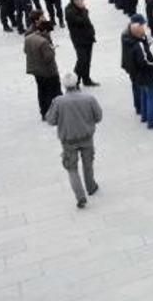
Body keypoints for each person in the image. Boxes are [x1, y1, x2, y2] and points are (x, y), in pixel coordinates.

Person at [44, 73, 103, 209]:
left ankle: (80, 196)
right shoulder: (89, 99)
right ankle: (91, 186)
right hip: (87, 138)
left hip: (68, 141)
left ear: (64, 86)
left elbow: (50, 120)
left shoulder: (58, 101)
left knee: (72, 169)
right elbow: (99, 116)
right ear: (77, 83)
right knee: (88, 164)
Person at [130, 18, 153, 130]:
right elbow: (143, 61)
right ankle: (152, 121)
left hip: (140, 76)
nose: (144, 30)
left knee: (144, 95)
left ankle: (145, 117)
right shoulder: (139, 45)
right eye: (142, 28)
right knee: (151, 98)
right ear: (139, 32)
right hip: (147, 75)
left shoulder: (135, 43)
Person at [24, 20, 62, 119]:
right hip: (48, 72)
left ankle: (44, 113)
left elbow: (25, 51)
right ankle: (55, 113)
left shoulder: (28, 38)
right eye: (49, 31)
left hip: (36, 70)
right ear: (45, 31)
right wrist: (52, 49)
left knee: (41, 91)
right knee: (53, 92)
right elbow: (48, 58)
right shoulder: (43, 42)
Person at [64, 0, 98, 87]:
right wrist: (84, 10)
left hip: (88, 38)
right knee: (81, 60)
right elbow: (81, 21)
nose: (82, 0)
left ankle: (86, 79)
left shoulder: (80, 8)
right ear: (74, 0)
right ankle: (75, 82)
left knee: (87, 60)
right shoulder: (69, 11)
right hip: (79, 40)